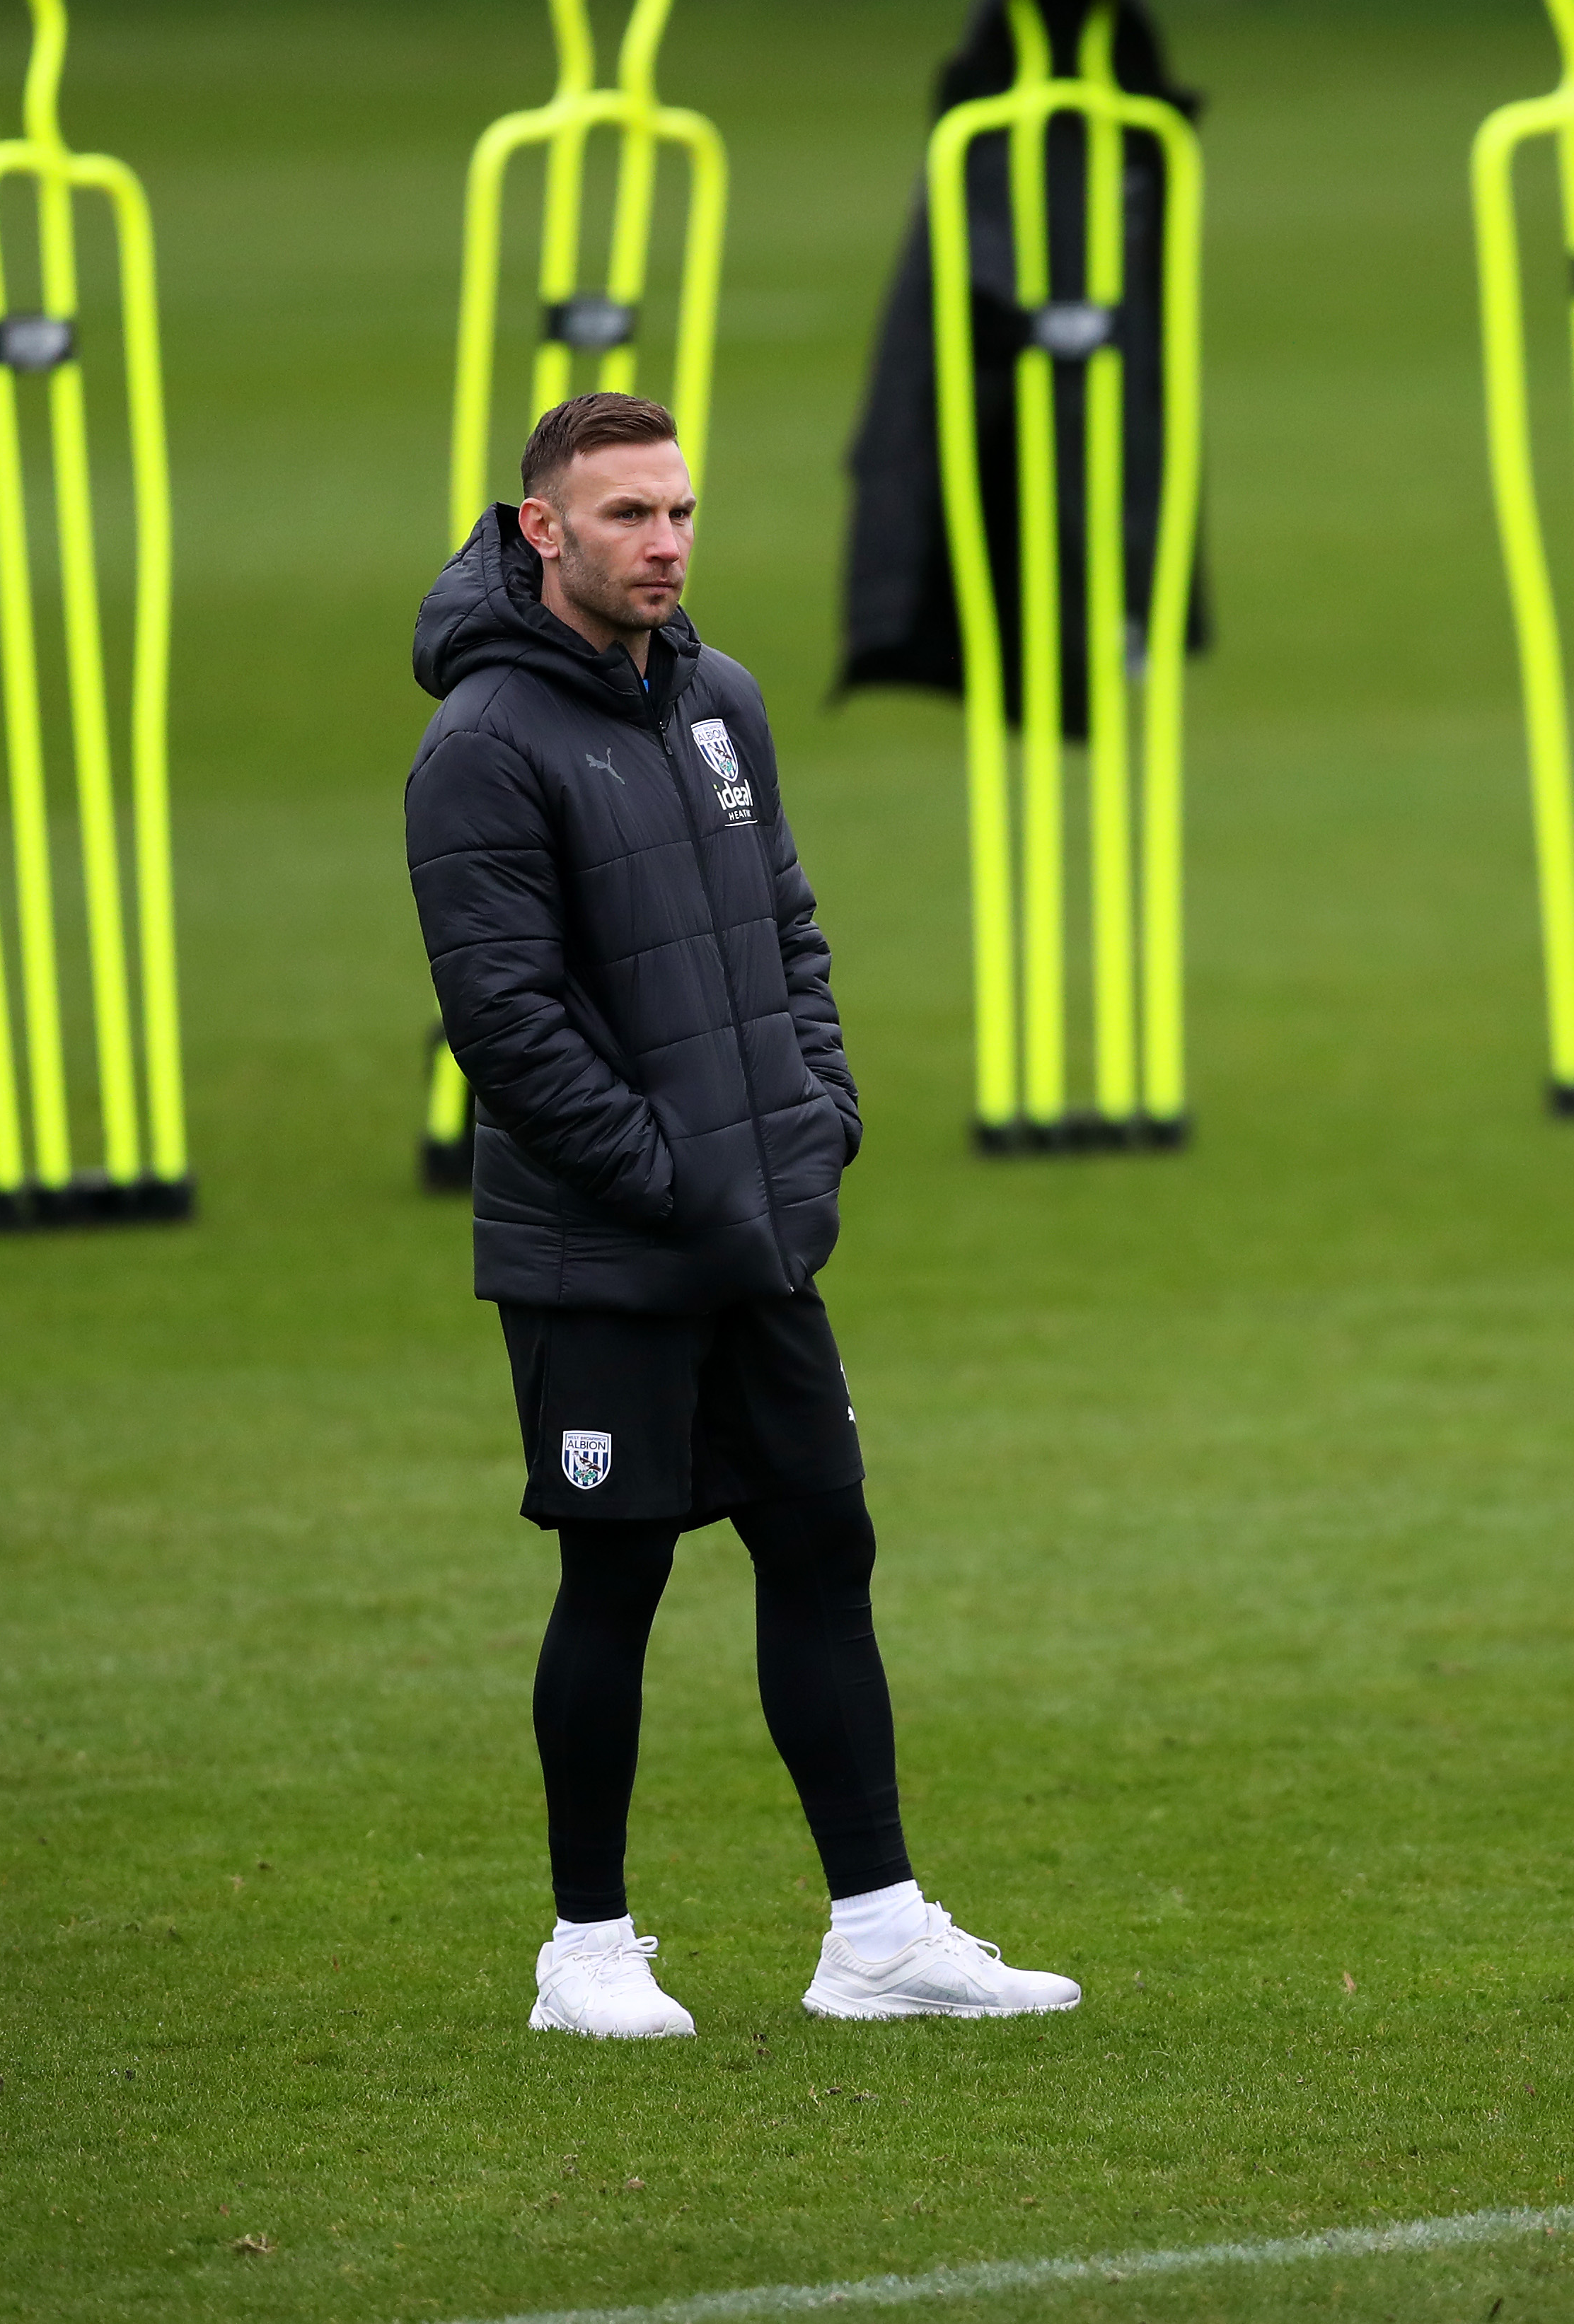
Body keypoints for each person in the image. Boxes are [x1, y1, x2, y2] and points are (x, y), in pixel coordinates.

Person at [405, 390, 1077, 2035]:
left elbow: (790, 928)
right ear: (541, 528)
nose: (668, 543)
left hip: (756, 1225)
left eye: (683, 510)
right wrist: (666, 1176)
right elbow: (504, 1021)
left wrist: (815, 1117)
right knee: (617, 1574)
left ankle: (878, 1930)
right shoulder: (481, 745)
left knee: (821, 1539)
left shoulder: (723, 703)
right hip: (606, 1247)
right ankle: (588, 1949)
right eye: (630, 515)